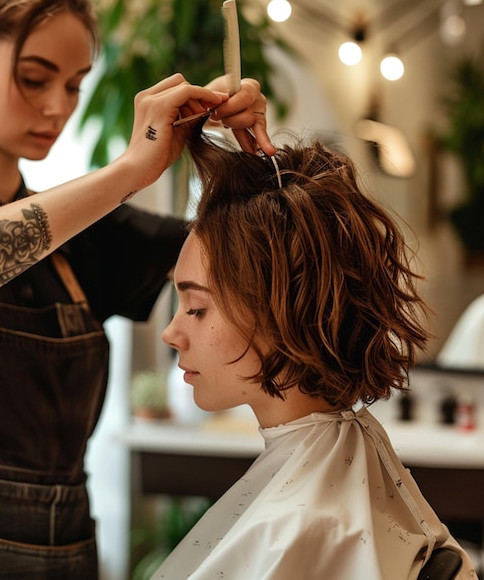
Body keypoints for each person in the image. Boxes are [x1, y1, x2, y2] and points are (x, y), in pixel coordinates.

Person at [0, 0, 275, 578]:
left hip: (72, 546)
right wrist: (131, 171)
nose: (59, 106)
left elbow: (265, 262)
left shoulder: (91, 232)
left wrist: (250, 158)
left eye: (76, 83)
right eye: (34, 78)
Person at [154, 128, 476, 579]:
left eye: (196, 308)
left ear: (281, 312)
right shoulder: (346, 451)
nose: (172, 333)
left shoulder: (299, 526)